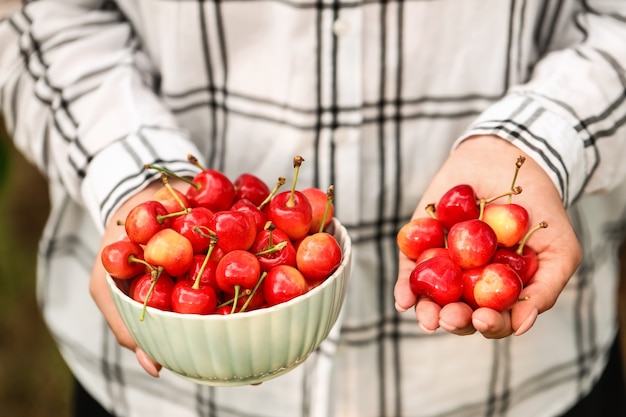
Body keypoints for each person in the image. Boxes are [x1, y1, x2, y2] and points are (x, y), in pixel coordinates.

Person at [1, 0, 626, 416]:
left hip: (512, 393)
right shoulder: (189, 241)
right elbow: (39, 15)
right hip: (155, 397)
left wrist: (543, 145)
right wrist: (127, 167)